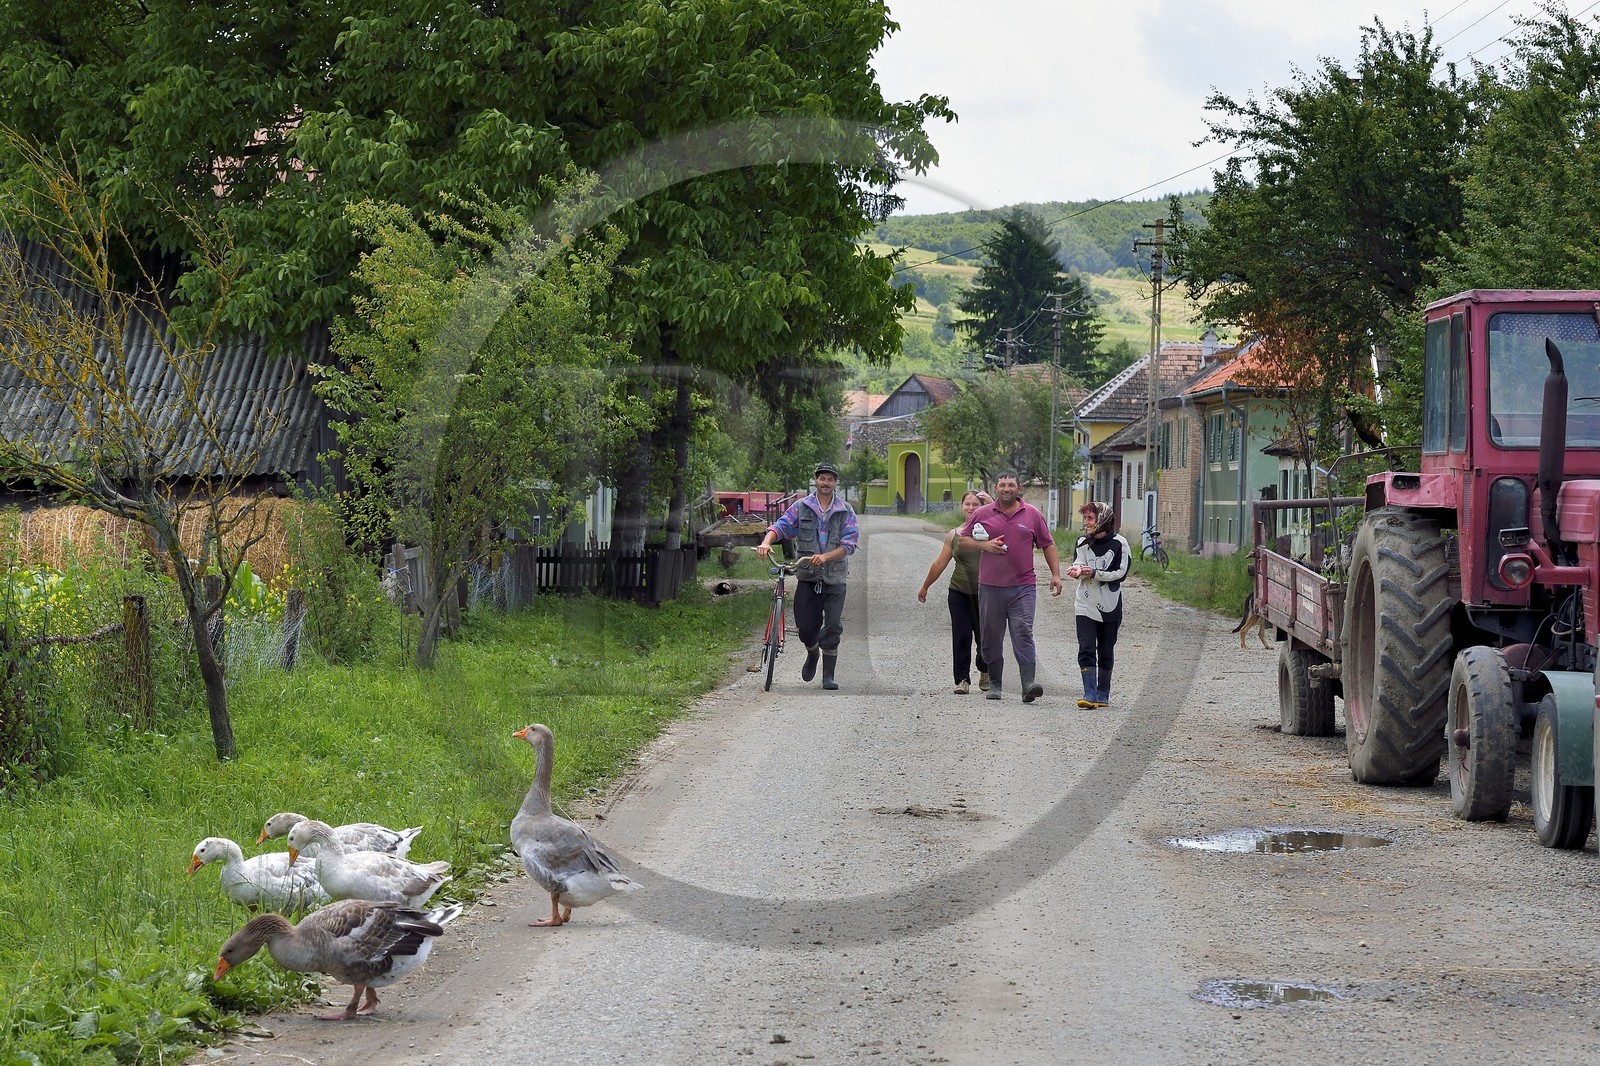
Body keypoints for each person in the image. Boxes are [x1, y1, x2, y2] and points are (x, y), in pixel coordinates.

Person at [957, 472, 1062, 702]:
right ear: (995, 488)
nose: (1007, 489)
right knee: (990, 636)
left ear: (1019, 487)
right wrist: (986, 545)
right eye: (1002, 485)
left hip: (1022, 586)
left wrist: (1056, 574)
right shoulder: (982, 513)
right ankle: (995, 683)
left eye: (1011, 485)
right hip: (990, 586)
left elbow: (1048, 544)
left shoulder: (1032, 514)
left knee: (1023, 631)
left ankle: (1028, 684)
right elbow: (963, 540)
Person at [755, 461, 859, 690]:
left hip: (834, 579)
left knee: (832, 626)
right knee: (805, 628)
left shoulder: (846, 510)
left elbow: (850, 544)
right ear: (816, 480)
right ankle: (812, 653)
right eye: (822, 478)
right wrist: (766, 542)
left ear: (835, 483)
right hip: (808, 577)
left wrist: (826, 557)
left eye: (830, 479)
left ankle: (828, 675)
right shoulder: (801, 506)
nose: (826, 483)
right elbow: (781, 526)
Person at [917, 489, 992, 694]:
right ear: (962, 506)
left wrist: (992, 504)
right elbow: (939, 563)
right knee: (961, 635)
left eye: (975, 504)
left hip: (986, 593)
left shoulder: (992, 530)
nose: (970, 508)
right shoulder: (955, 534)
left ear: (983, 507)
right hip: (959, 591)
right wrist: (925, 586)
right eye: (967, 504)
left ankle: (985, 670)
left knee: (985, 636)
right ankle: (962, 680)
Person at [1067, 501, 1131, 708]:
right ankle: (1089, 693)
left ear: (1102, 520)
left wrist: (1095, 573)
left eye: (1090, 518)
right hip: (1085, 603)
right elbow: (1078, 561)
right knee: (1085, 647)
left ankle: (1103, 692)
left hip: (1110, 605)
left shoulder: (1120, 543)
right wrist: (1076, 570)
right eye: (1085, 518)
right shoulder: (1082, 542)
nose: (1086, 522)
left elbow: (1121, 573)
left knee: (1105, 649)